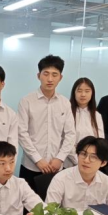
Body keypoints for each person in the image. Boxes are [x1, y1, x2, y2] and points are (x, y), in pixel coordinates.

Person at [17, 55, 76, 190]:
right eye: (46, 74)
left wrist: (60, 158)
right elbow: (22, 133)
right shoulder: (26, 101)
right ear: (39, 76)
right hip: (31, 166)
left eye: (54, 75)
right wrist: (38, 159)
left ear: (60, 77)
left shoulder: (65, 103)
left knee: (55, 203)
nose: (50, 79)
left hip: (57, 166)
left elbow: (70, 134)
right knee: (28, 203)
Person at [46, 136, 108, 212]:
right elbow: (50, 212)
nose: (86, 160)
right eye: (83, 154)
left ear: (103, 163)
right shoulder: (60, 179)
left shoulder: (107, 182)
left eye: (93, 157)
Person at [64, 77, 108, 167]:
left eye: (87, 91)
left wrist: (90, 159)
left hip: (91, 162)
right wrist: (78, 160)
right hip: (70, 162)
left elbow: (100, 140)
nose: (83, 94)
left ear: (92, 93)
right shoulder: (67, 112)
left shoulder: (97, 115)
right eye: (79, 91)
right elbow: (66, 140)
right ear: (74, 93)